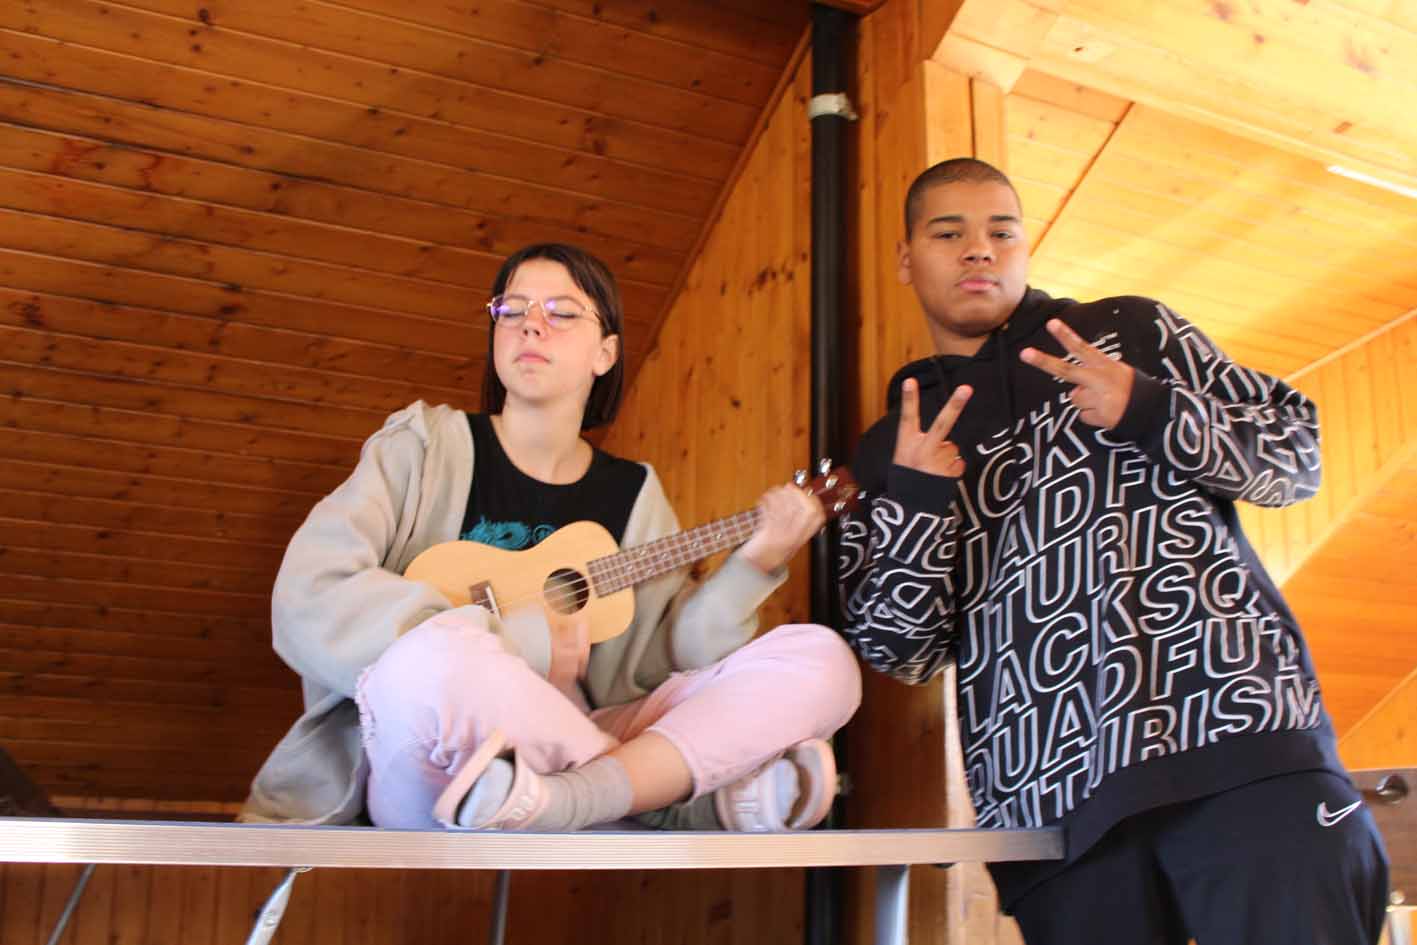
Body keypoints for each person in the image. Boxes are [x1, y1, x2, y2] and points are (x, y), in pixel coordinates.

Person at [834, 158, 1389, 944]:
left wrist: (1147, 405)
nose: (978, 249)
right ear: (905, 257)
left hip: (1239, 750)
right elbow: (899, 648)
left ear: (1025, 247)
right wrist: (919, 498)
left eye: (1001, 231)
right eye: (947, 233)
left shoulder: (1130, 332)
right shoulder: (894, 440)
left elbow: (1294, 454)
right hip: (1051, 813)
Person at [241, 242, 860, 834]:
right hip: (438, 753)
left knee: (821, 658)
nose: (531, 325)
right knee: (434, 658)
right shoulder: (423, 448)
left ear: (606, 353)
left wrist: (756, 562)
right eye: (512, 310)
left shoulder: (634, 493)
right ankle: (662, 800)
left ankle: (576, 797)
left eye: (561, 312)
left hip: (575, 747)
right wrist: (522, 643)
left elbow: (668, 661)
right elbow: (309, 593)